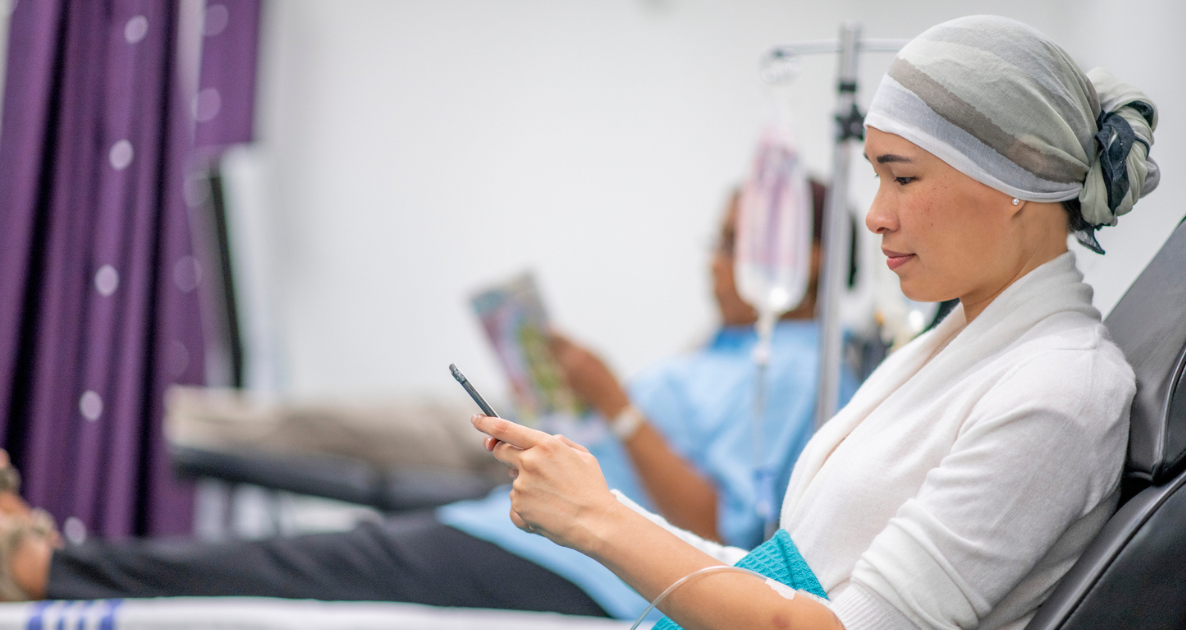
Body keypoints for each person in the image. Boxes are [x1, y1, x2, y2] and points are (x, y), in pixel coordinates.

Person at [466, 15, 1156, 630]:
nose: (875, 214)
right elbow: (780, 581)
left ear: (1017, 176)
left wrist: (599, 520)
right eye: (877, 177)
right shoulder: (959, 348)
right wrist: (591, 495)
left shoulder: (1061, 391)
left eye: (904, 177)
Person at [0, 180, 855, 621]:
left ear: (810, 256)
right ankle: (138, 477)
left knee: (316, 563)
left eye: (737, 243)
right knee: (342, 506)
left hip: (589, 570)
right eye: (719, 239)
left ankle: (47, 571)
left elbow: (727, 532)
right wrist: (571, 404)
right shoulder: (737, 352)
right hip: (530, 520)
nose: (712, 261)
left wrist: (615, 404)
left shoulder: (801, 373)